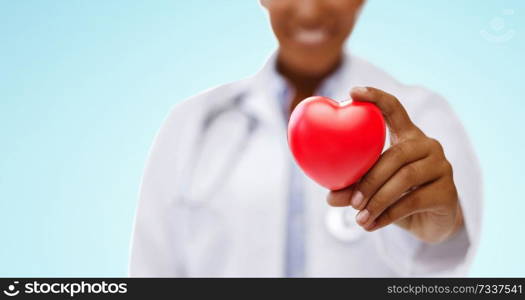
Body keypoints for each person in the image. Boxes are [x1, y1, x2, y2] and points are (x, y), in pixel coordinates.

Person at [129, 0, 482, 277]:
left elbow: (447, 267)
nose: (310, 10)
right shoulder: (191, 124)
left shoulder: (424, 115)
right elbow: (153, 268)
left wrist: (443, 229)